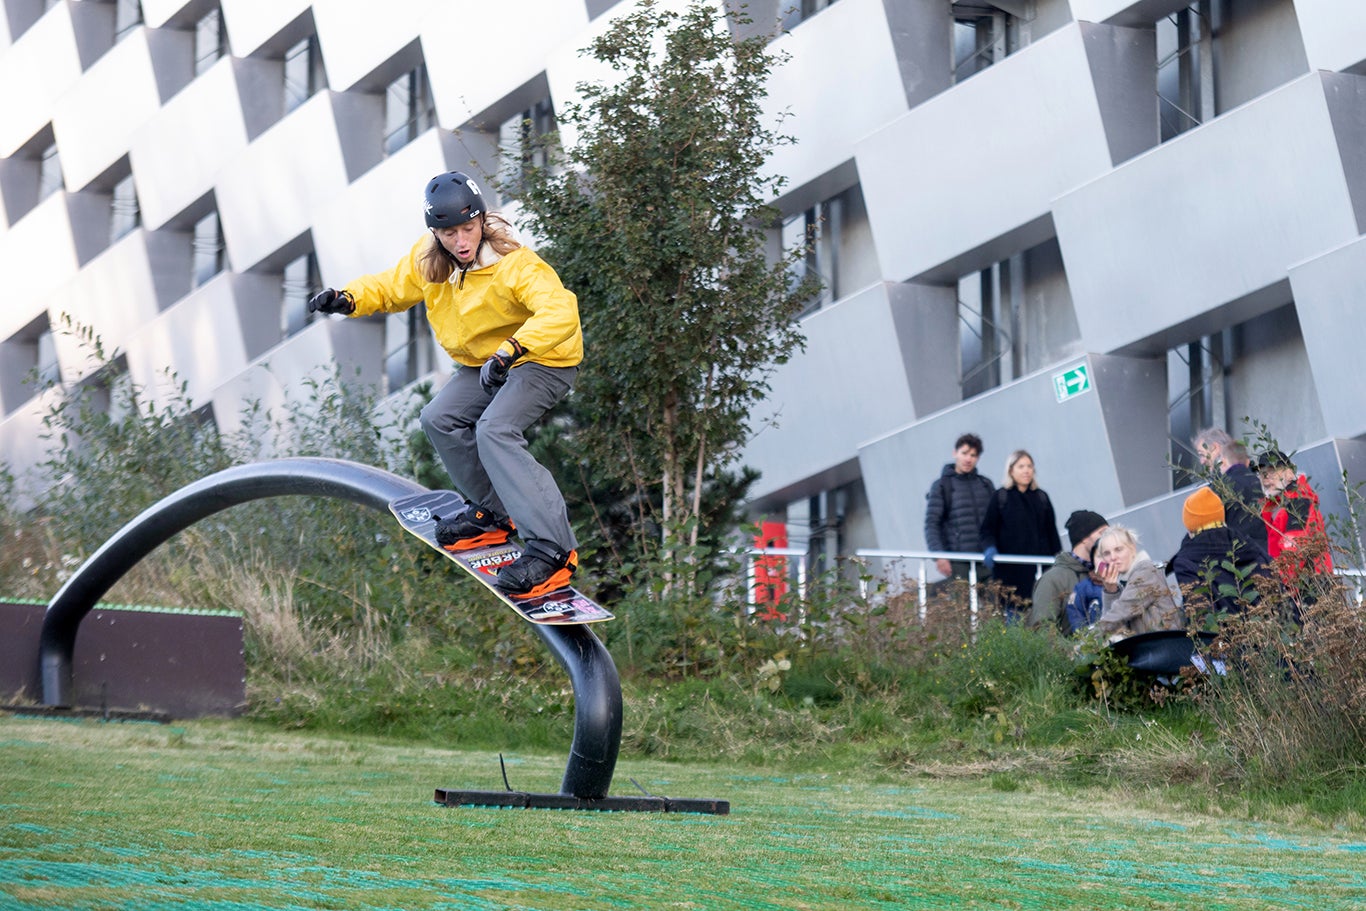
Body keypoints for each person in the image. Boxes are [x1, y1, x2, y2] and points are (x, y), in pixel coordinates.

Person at [308, 170, 582, 599]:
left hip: (542, 358)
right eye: (449, 233)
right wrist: (349, 298)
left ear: (482, 221)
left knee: (495, 430)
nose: (461, 241)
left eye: (468, 229)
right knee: (439, 418)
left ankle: (552, 550)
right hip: (485, 363)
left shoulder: (514, 264)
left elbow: (561, 310)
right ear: (435, 233)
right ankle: (494, 514)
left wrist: (511, 350)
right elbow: (391, 286)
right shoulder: (429, 260)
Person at [978, 450, 1062, 617]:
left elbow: (1052, 534)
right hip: (1010, 575)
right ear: (1011, 470)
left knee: (1044, 619)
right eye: (1021, 466)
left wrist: (1058, 562)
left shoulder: (1041, 497)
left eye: (1029, 466)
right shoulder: (1001, 497)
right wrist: (990, 548)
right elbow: (987, 530)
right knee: (1015, 621)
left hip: (1040, 572)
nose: (1026, 470)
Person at [1168, 486, 1262, 621]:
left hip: (1228, 638)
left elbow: (1200, 615)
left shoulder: (1186, 563)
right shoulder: (1249, 545)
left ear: (1190, 527)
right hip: (1274, 632)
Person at [1192, 428, 1270, 566]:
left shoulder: (1219, 488)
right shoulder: (1261, 478)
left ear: (1215, 448)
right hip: (1270, 555)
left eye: (1202, 454)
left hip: (1240, 561)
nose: (1202, 461)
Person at [1257, 448, 1334, 585]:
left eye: (1272, 471)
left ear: (1289, 473)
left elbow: (1294, 553)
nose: (1266, 478)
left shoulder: (1298, 503)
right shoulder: (1273, 507)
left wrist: (1282, 588)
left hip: (1309, 585)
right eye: (1263, 474)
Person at [923, 433, 994, 582]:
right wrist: (939, 556)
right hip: (958, 562)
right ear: (955, 453)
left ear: (978, 458)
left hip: (987, 561)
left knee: (995, 604)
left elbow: (997, 522)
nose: (968, 459)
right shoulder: (942, 486)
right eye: (964, 453)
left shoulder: (985, 484)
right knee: (962, 605)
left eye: (973, 455)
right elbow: (932, 524)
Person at [1094, 525, 1183, 638]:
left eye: (1119, 549)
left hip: (1168, 646)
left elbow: (1120, 612)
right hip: (1151, 649)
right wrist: (1110, 591)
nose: (1113, 557)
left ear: (1132, 548)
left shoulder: (1146, 570)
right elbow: (1114, 628)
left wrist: (1087, 641)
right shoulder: (1125, 579)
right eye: (1107, 553)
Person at [1029, 509, 1108, 631]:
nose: (1108, 539)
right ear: (1084, 538)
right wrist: (1073, 649)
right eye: (1102, 533)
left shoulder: (1105, 572)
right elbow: (1041, 628)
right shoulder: (1053, 579)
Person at [1064, 553, 1105, 634]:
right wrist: (1084, 636)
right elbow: (1075, 613)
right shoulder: (1082, 588)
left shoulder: (1123, 583)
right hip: (1093, 639)